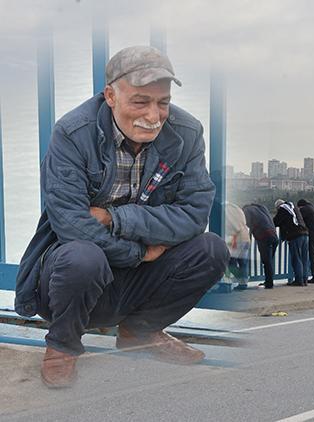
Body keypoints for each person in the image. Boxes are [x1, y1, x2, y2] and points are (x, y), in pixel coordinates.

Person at [14, 46, 229, 388]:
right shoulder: (72, 133)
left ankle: (139, 331)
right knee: (82, 255)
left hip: (140, 276)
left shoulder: (187, 133)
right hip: (76, 277)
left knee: (212, 249)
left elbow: (193, 215)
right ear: (111, 96)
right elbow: (71, 225)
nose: (154, 115)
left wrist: (117, 218)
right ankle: (62, 346)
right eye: (140, 102)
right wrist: (139, 252)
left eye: (163, 102)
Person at [273, 199, 309, 286]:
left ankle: (299, 280)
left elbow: (276, 222)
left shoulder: (282, 209)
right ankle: (305, 279)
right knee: (304, 258)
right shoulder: (293, 207)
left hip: (295, 235)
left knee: (296, 258)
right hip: (305, 233)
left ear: (278, 207)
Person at [243, 203, 279, 289]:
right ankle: (269, 281)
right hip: (274, 236)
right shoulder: (262, 207)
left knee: (266, 262)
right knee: (269, 262)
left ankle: (269, 284)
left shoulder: (247, 210)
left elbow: (249, 225)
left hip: (264, 236)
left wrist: (248, 240)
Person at [225, 203, 251, 289]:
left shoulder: (226, 210)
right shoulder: (237, 208)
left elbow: (232, 227)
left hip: (237, 239)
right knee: (243, 263)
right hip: (246, 237)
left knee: (230, 262)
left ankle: (238, 281)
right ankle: (243, 283)